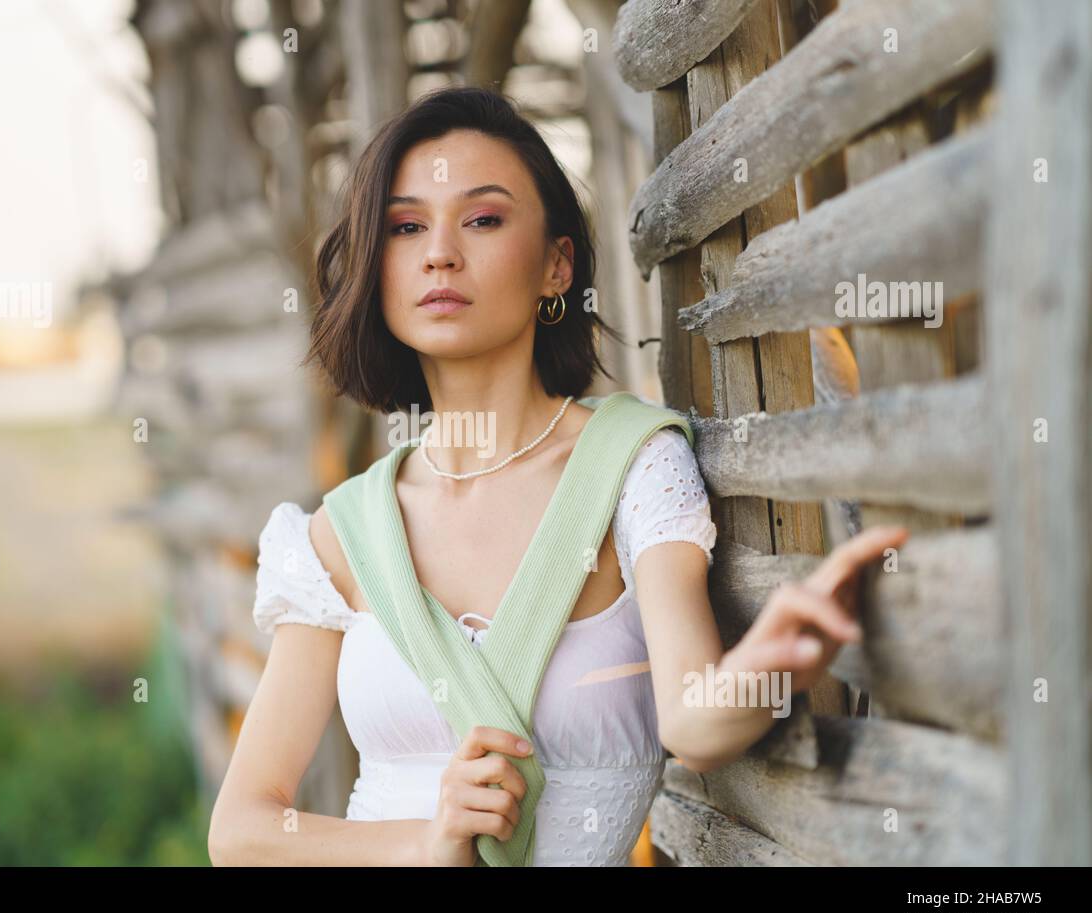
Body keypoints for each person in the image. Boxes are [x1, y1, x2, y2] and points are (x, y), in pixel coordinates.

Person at [208, 86, 907, 867]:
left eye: (482, 219)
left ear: (555, 266)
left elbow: (693, 723)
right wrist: (426, 844)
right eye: (406, 227)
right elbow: (241, 830)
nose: (440, 251)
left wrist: (771, 664)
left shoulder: (629, 466)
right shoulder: (345, 531)